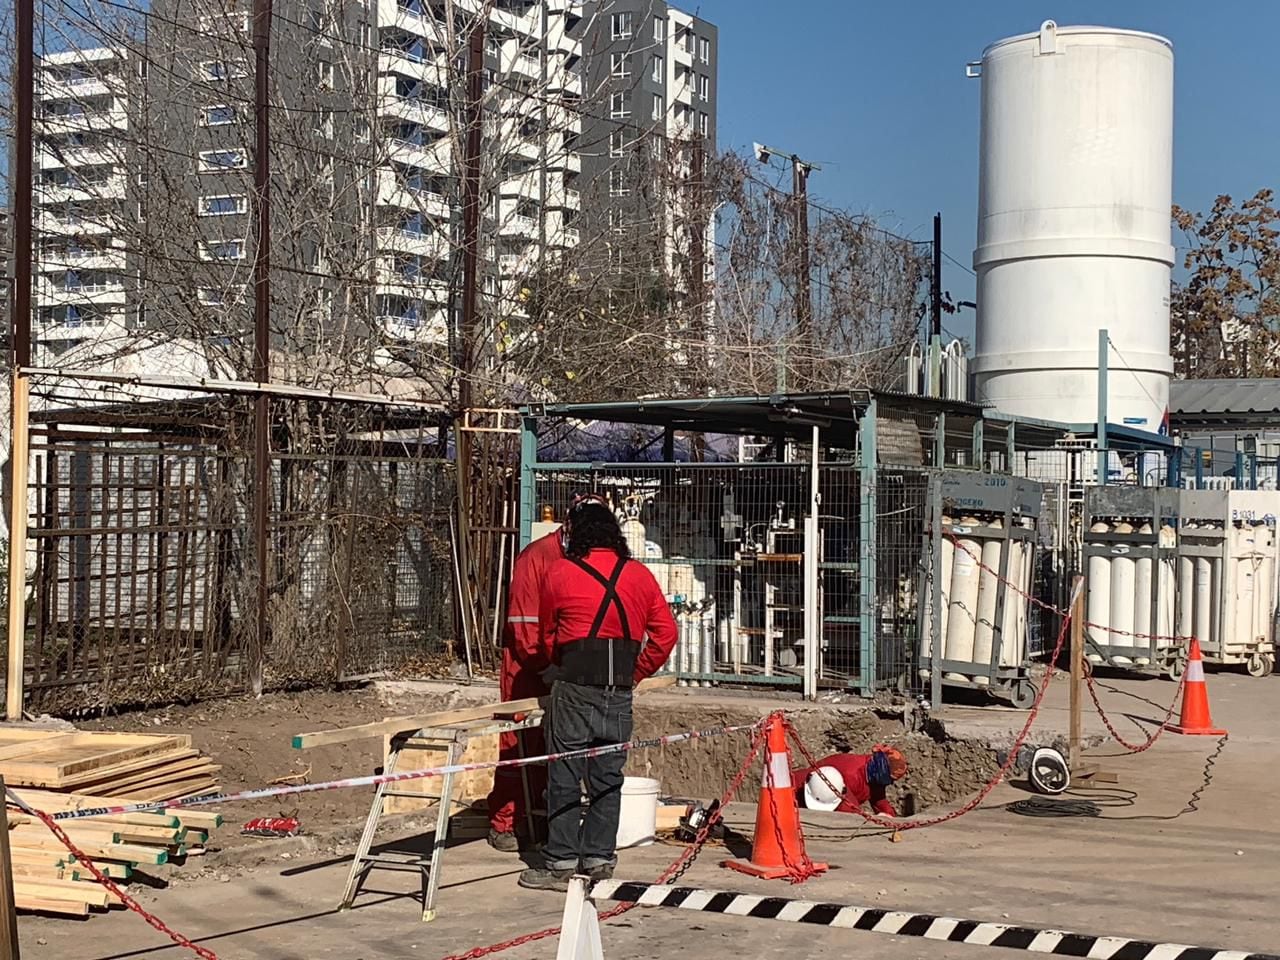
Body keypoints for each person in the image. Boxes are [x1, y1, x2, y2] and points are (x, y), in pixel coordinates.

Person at [517, 502, 678, 891]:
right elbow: (666, 634)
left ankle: (560, 862)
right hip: (618, 690)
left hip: (573, 687)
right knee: (608, 777)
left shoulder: (560, 572)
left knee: (565, 776)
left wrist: (556, 665)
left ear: (577, 535)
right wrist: (637, 672)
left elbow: (546, 636)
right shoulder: (638, 575)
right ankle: (599, 858)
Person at [485, 494, 609, 853]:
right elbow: (524, 627)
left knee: (561, 747)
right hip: (527, 667)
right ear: (568, 525)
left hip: (566, 667)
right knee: (519, 744)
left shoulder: (581, 557)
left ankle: (544, 818)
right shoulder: (536, 559)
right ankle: (506, 821)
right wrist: (547, 668)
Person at [797, 745, 908, 817]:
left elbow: (879, 799)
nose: (890, 783)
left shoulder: (874, 776)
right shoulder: (852, 775)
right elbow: (849, 810)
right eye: (889, 779)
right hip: (808, 795)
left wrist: (889, 817)